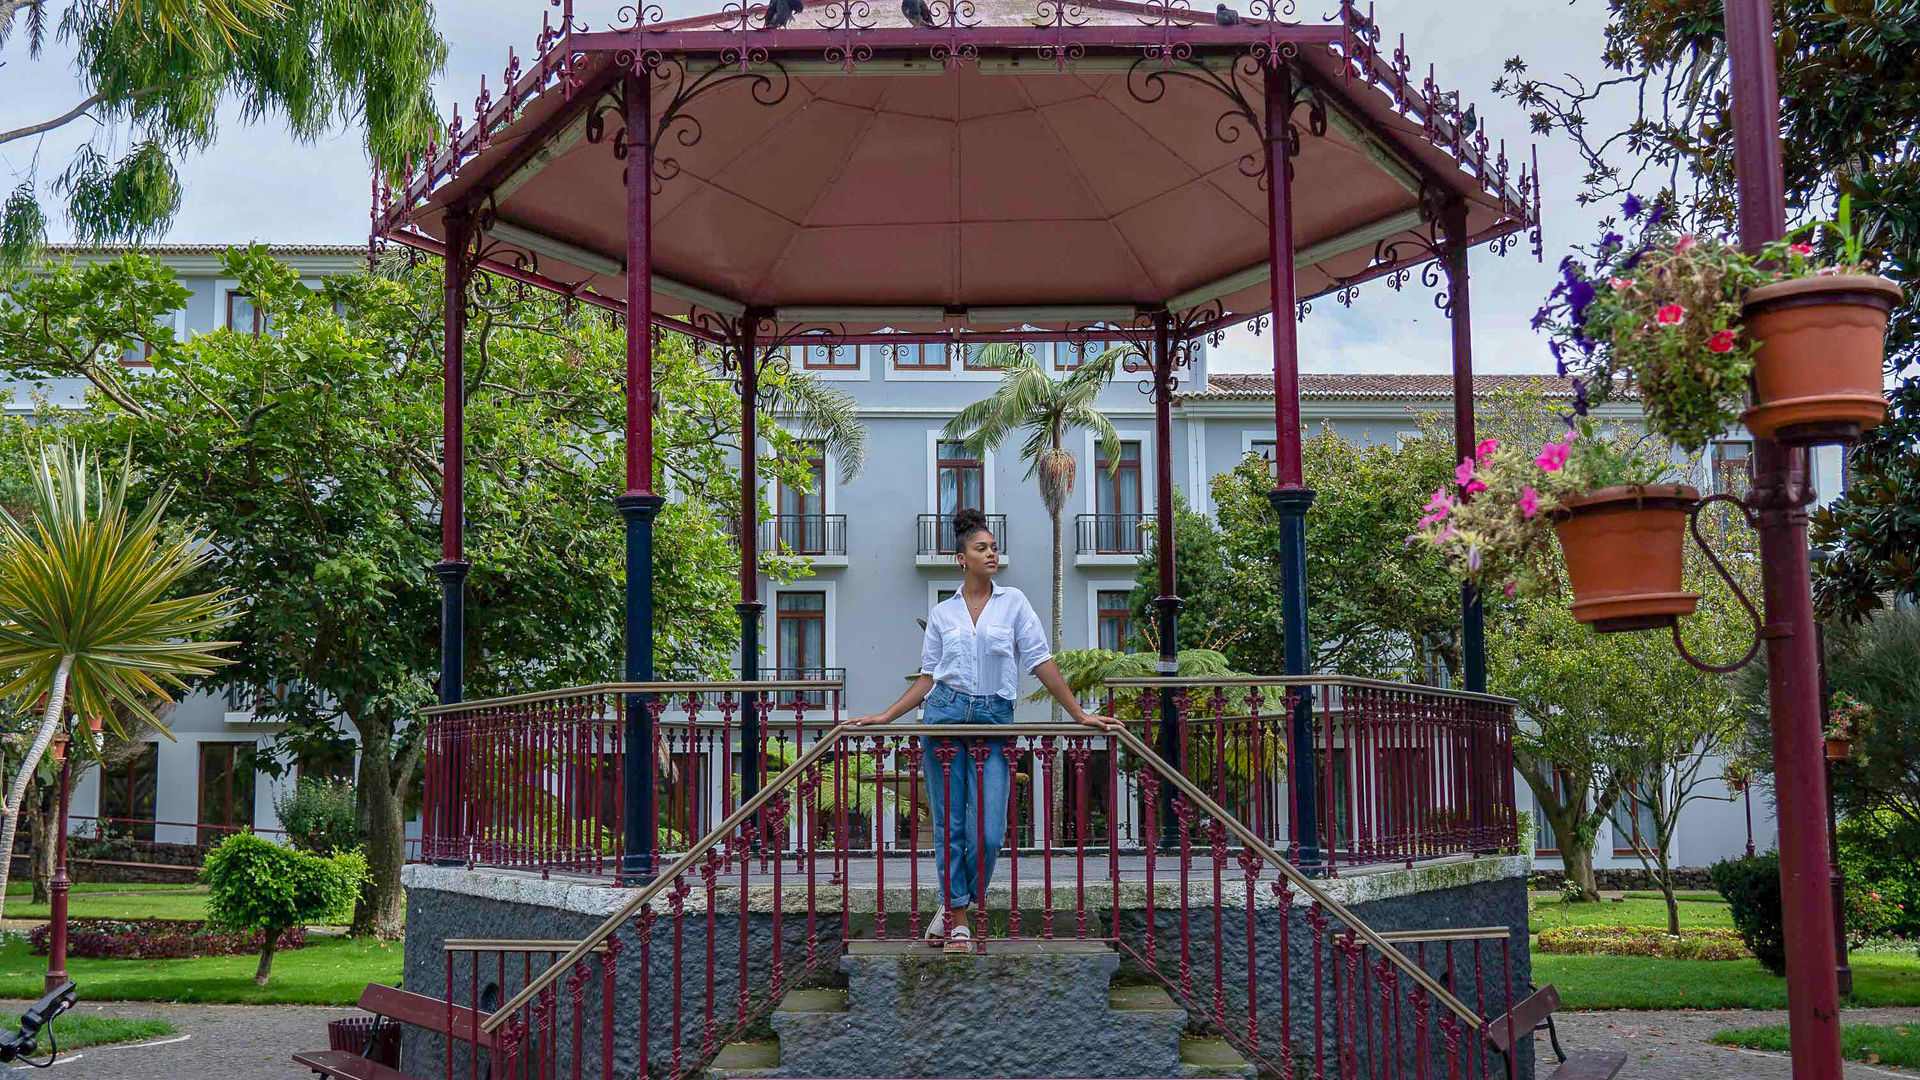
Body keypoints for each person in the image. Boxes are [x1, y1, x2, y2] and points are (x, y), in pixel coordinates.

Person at [850, 507, 1119, 953]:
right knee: (950, 826)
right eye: (981, 548)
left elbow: (1040, 661)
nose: (991, 553)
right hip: (943, 719)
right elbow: (928, 677)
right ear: (962, 558)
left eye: (993, 547)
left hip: (994, 721)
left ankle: (951, 902)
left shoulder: (1014, 603)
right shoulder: (942, 614)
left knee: (990, 831)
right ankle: (958, 920)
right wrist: (885, 716)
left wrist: (1078, 714)